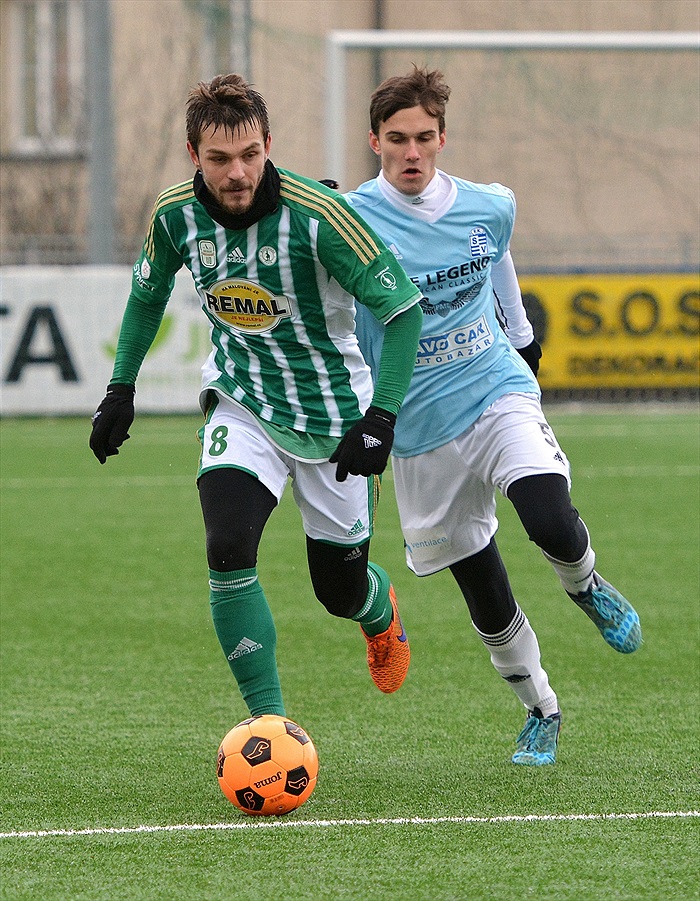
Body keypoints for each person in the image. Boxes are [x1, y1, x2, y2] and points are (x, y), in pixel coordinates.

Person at [89, 74, 424, 721]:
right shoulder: (174, 215)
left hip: (334, 419)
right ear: (195, 156)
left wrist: (381, 416)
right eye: (219, 159)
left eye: (249, 154)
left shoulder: (320, 216)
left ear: (268, 144)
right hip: (242, 401)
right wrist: (120, 387)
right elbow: (147, 291)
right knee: (228, 546)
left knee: (339, 588)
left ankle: (378, 611)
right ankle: (267, 723)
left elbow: (404, 310)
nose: (237, 171)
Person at [345, 66, 642, 766]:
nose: (411, 152)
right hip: (416, 428)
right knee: (484, 586)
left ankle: (586, 584)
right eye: (397, 140)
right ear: (375, 141)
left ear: (442, 137)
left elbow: (496, 254)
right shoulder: (352, 219)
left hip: (493, 389)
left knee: (548, 516)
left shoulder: (489, 204)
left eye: (423, 138)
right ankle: (542, 708)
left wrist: (519, 340)